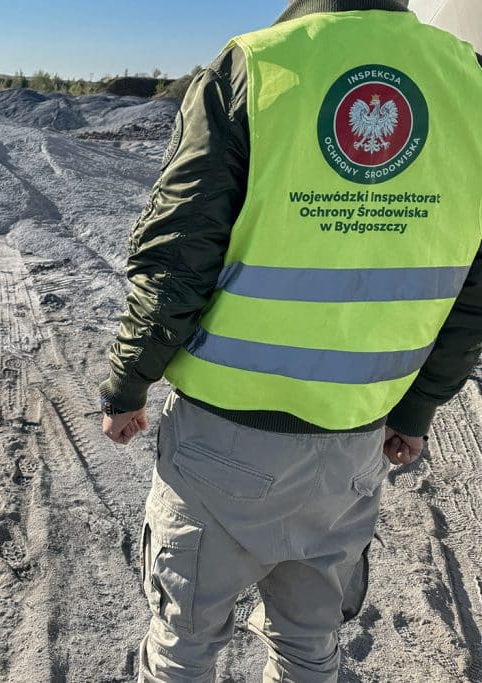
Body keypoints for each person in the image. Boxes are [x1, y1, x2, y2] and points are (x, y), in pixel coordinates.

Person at [98, 1, 482, 680]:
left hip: (222, 441)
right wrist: (417, 410)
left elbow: (180, 254)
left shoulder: (256, 64)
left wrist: (131, 380)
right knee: (310, 649)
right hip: (352, 447)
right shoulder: (469, 79)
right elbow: (474, 290)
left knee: (184, 647)